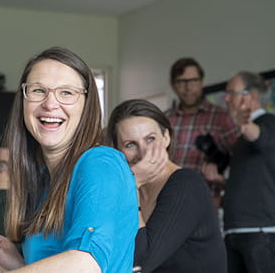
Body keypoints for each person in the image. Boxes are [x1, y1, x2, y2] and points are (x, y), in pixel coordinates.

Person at [0, 46, 138, 273]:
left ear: (87, 104)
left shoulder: (101, 163)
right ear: (23, 100)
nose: (50, 104)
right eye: (38, 90)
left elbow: (85, 264)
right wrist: (18, 263)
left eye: (66, 93)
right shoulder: (44, 178)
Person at [106, 99, 227, 273]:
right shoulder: (132, 188)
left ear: (166, 137)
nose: (143, 153)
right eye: (130, 144)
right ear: (118, 150)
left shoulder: (186, 184)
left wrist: (131, 185)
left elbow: (139, 263)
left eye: (150, 139)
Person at [165, 57, 239, 207]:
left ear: (202, 82)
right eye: (181, 82)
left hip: (206, 203)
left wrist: (223, 182)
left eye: (193, 81)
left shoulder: (221, 117)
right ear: (173, 85)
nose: (188, 88)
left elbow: (242, 161)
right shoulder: (165, 120)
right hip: (169, 200)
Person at [222, 71, 275, 273]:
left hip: (260, 233)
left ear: (250, 97)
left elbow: (260, 137)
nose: (226, 98)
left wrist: (244, 123)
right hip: (235, 231)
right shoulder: (241, 138)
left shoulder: (269, 123)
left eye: (231, 93)